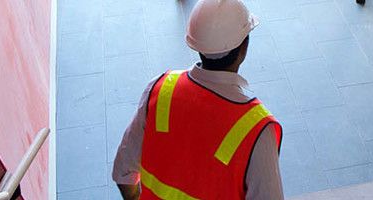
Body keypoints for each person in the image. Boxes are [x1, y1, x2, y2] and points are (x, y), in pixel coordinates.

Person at [111, 0, 283, 199]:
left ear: (196, 43)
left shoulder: (160, 89)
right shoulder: (258, 130)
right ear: (244, 47)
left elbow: (123, 173)